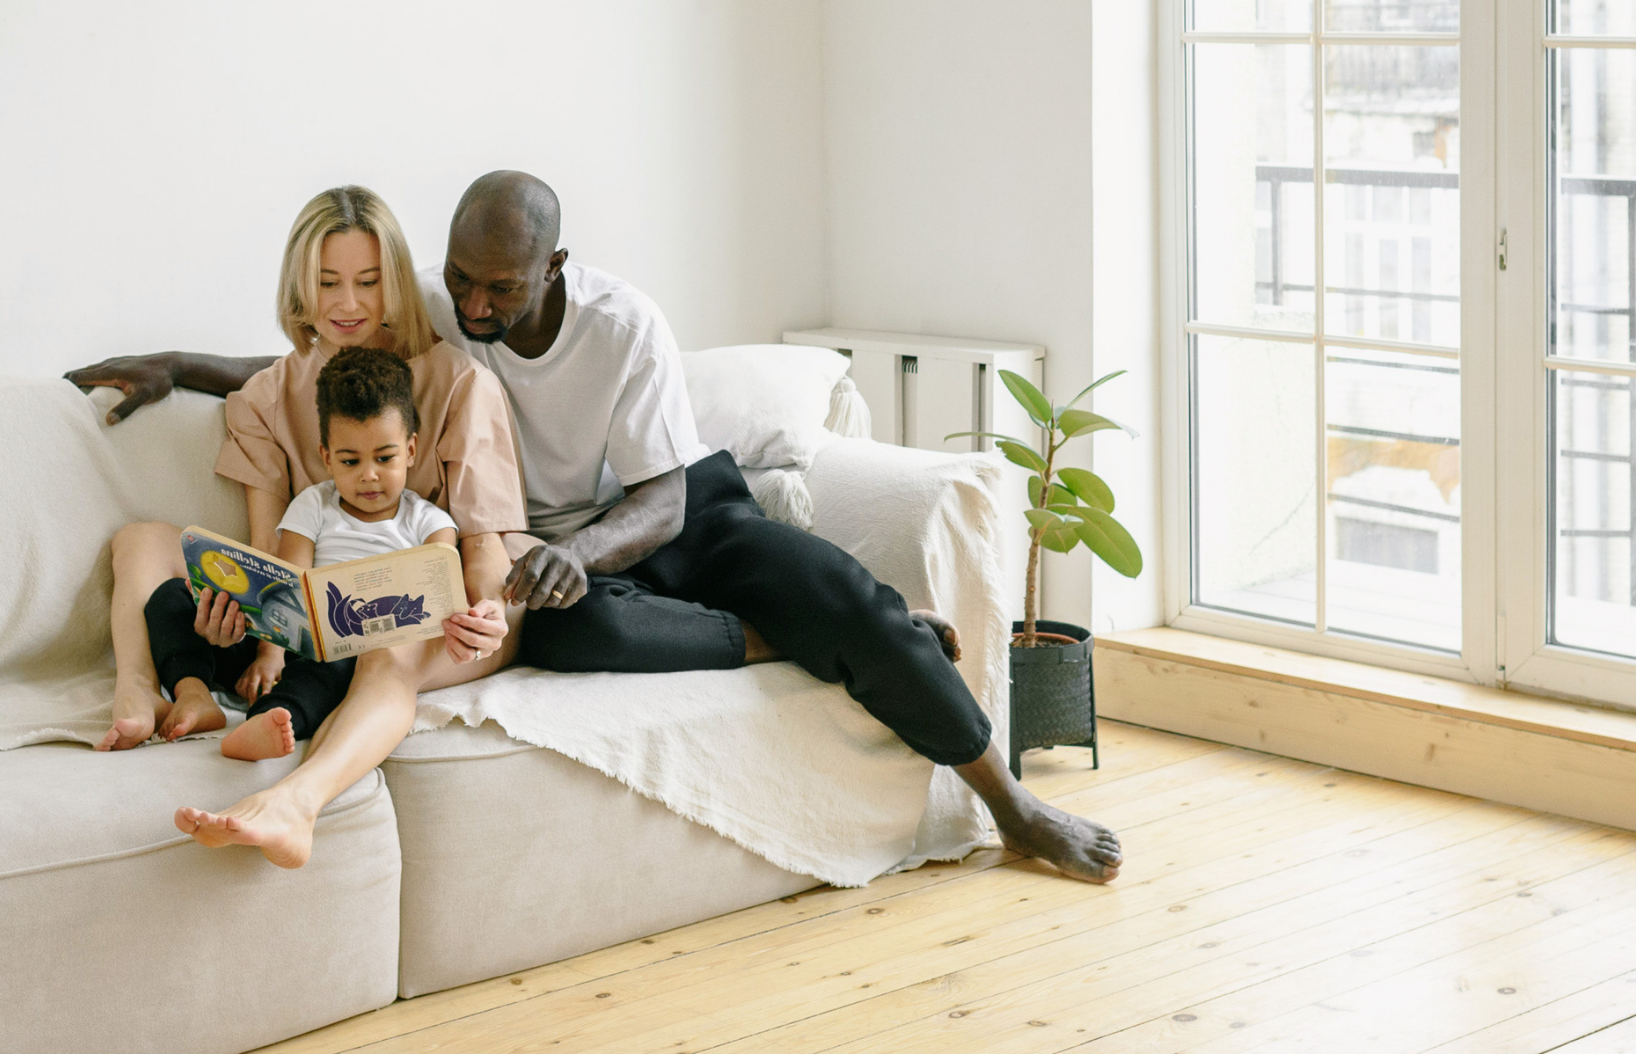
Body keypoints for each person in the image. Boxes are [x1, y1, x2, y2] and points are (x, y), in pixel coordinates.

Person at [68, 173, 1124, 884]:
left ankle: (1008, 800)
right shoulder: (440, 309)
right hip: (552, 552)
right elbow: (320, 360)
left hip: (676, 510)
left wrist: (575, 554)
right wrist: (177, 368)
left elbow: (661, 498)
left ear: (553, 268)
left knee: (831, 593)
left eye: (500, 285)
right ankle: (797, 637)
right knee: (578, 637)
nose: (475, 304)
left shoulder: (622, 327)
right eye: (462, 279)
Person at [77, 186, 526, 756]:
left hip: (422, 617)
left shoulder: (461, 384)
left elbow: (483, 541)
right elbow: (269, 544)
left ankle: (277, 731)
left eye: (368, 281)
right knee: (138, 541)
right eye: (326, 282)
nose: (348, 305)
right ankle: (141, 687)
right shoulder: (267, 396)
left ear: (395, 283)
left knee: (379, 649)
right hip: (313, 607)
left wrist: (486, 607)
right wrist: (257, 625)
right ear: (298, 285)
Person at [142, 347, 460, 763]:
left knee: (323, 670)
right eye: (350, 461)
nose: (369, 474)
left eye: (385, 458)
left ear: (412, 450)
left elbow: (439, 596)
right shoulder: (313, 505)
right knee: (171, 598)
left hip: (352, 655)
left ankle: (269, 718)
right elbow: (286, 582)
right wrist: (267, 655)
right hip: (282, 638)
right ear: (327, 457)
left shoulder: (430, 522)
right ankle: (193, 694)